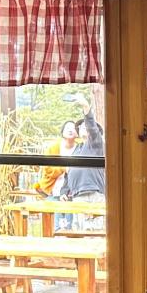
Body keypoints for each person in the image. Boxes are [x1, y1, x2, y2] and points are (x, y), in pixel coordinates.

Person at [58, 93, 106, 227]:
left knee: (96, 231)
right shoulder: (77, 149)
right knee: (79, 230)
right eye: (81, 126)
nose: (84, 127)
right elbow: (69, 173)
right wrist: (64, 191)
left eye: (86, 125)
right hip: (77, 195)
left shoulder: (96, 144)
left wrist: (85, 106)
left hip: (93, 194)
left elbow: (92, 128)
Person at [32, 116, 81, 198]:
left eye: (73, 128)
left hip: (73, 191)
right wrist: (63, 168)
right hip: (53, 189)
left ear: (77, 133)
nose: (70, 130)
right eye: (67, 128)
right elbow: (47, 168)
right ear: (62, 132)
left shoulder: (80, 148)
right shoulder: (53, 148)